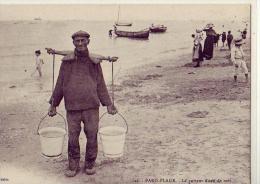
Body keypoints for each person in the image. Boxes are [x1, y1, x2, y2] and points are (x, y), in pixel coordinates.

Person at [47, 30, 118, 177]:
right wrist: (53, 104)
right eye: (77, 41)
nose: (80, 43)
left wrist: (109, 104)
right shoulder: (66, 62)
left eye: (83, 40)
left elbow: (100, 84)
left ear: (88, 42)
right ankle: (73, 164)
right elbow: (60, 84)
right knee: (73, 137)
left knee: (92, 135)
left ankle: (90, 163)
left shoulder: (94, 62)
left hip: (91, 106)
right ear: (73, 43)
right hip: (72, 107)